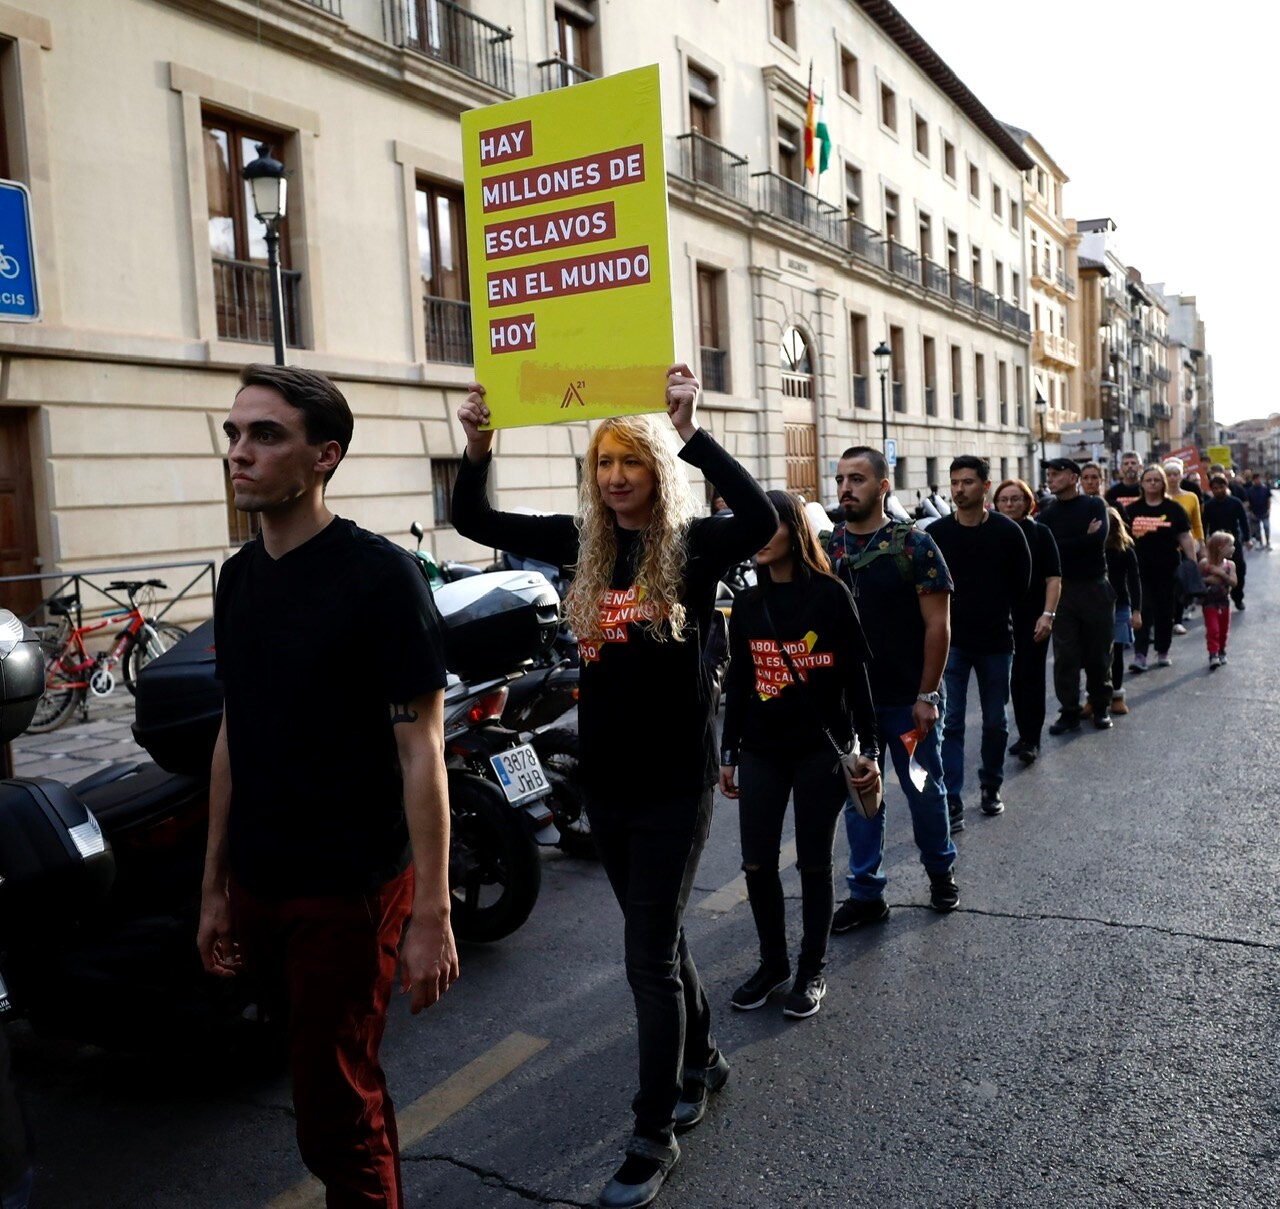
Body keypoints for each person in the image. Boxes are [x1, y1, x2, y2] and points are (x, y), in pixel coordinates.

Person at [452, 366, 776, 1209]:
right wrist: (479, 444)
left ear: (656, 470)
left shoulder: (694, 546)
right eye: (604, 463)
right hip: (609, 781)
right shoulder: (581, 543)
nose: (617, 476)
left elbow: (762, 518)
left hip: (675, 781)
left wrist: (691, 427)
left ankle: (652, 1130)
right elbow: (473, 518)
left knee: (644, 957)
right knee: (656, 934)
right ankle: (701, 1060)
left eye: (631, 461)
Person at [197, 364, 458, 1208]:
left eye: (265, 435)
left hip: (348, 889)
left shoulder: (380, 576)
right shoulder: (237, 577)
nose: (238, 451)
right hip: (261, 884)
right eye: (234, 432)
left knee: (337, 1119)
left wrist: (433, 911)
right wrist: (214, 887)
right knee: (320, 1090)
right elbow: (233, 731)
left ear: (324, 458)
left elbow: (421, 747)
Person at [719, 491, 880, 1020]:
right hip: (762, 750)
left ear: (794, 530)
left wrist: (871, 751)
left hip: (819, 752)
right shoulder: (746, 603)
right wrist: (729, 750)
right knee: (757, 862)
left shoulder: (831, 596)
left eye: (770, 527)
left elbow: (858, 681)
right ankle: (773, 965)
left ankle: (812, 970)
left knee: (813, 863)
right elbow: (740, 681)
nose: (761, 539)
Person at [826, 447, 958, 922]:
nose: (846, 488)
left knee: (923, 791)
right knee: (862, 799)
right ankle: (866, 894)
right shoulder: (828, 550)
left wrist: (927, 696)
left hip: (907, 707)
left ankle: (941, 874)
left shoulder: (914, 545)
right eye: (841, 478)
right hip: (854, 711)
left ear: (884, 487)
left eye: (857, 479)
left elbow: (938, 627)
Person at [929, 457, 1030, 824]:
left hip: (995, 642)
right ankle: (952, 797)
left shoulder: (1007, 532)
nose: (959, 489)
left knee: (994, 721)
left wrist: (995, 610)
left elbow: (1022, 584)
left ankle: (991, 785)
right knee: (952, 722)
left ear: (986, 487)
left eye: (968, 482)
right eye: (955, 482)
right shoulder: (937, 533)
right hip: (952, 643)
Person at [1036, 458, 1114, 733]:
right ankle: (1069, 710)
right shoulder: (1046, 513)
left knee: (1098, 652)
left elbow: (1098, 540)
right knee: (1065, 655)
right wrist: (1081, 540)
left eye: (1057, 474)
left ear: (1073, 477)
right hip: (1063, 591)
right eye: (1049, 475)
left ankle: (1100, 704)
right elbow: (1046, 549)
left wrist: (1065, 544)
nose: (1051, 479)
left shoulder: (1094, 505)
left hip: (1095, 587)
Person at [993, 478, 1061, 764]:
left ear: (1028, 502)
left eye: (1015, 499)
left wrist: (1048, 615)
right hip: (999, 620)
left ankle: (1032, 739)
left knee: (1030, 678)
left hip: (1033, 618)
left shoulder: (1040, 533)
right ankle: (1022, 735)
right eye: (1004, 500)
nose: (1009, 504)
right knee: (1012, 682)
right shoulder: (992, 533)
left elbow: (1054, 578)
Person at [1125, 463, 1197, 672]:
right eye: (1149, 480)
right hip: (1139, 571)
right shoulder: (1132, 510)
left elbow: (1185, 536)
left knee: (1165, 613)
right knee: (1142, 612)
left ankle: (1163, 651)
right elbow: (1124, 539)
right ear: (1142, 484)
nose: (1153, 483)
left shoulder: (1174, 509)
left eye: (1157, 480)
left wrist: (1192, 563)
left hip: (1167, 569)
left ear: (1163, 483)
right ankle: (1140, 655)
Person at [1103, 507, 1142, 716]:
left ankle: (1117, 694)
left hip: (1120, 606)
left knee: (1116, 652)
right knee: (1095, 654)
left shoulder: (1126, 550)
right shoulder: (1091, 547)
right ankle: (1096, 695)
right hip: (1095, 606)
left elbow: (1135, 582)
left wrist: (1137, 611)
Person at [1163, 460, 1204, 635]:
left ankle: (1177, 620)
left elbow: (1196, 522)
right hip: (1163, 547)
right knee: (1164, 585)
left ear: (1181, 476)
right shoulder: (1159, 497)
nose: (1172, 478)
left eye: (1175, 474)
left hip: (1185, 547)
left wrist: (1200, 543)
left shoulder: (1190, 497)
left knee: (1180, 583)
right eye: (1169, 474)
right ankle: (1163, 619)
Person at [1202, 473, 1249, 610]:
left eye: (1221, 487)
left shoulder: (1235, 502)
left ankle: (1238, 597)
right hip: (1216, 544)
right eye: (1215, 488)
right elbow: (1204, 525)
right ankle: (1215, 598)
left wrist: (1247, 538)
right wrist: (1204, 544)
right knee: (1215, 571)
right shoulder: (1209, 506)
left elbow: (1244, 522)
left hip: (1233, 543)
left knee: (1239, 569)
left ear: (1226, 486)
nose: (1218, 490)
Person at [1199, 531, 1238, 669]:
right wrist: (1209, 579)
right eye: (1230, 546)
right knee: (1213, 629)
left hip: (1224, 602)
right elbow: (1197, 582)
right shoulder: (1205, 564)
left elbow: (1234, 582)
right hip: (1209, 602)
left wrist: (1222, 574)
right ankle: (1213, 653)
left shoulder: (1230, 565)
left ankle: (1222, 650)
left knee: (1223, 630)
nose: (1233, 548)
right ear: (1220, 547)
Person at [1245, 471, 1272, 549]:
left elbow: (1268, 499)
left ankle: (1267, 543)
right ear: (1253, 480)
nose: (1258, 480)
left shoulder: (1265, 489)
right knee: (1257, 530)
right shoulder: (1250, 490)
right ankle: (1260, 543)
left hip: (1264, 512)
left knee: (1266, 527)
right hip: (1255, 512)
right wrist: (1251, 512)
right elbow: (1248, 502)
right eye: (1256, 479)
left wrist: (1269, 509)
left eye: (1259, 479)